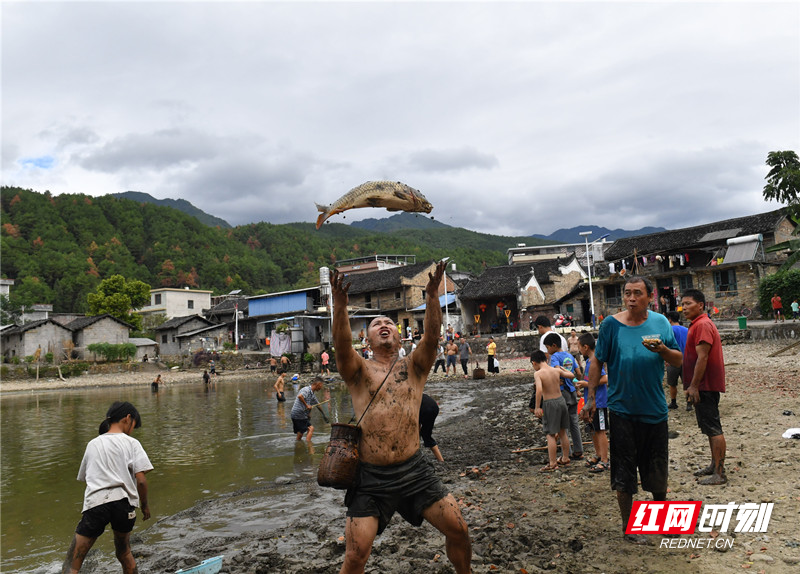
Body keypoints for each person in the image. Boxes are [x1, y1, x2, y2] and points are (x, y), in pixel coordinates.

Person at [330, 262, 471, 574]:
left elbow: (433, 339)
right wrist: (339, 306)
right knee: (355, 556)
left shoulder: (414, 367)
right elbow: (340, 346)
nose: (384, 324)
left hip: (415, 470)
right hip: (370, 478)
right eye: (376, 323)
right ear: (366, 339)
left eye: (389, 323)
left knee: (459, 529)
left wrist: (432, 296)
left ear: (399, 335)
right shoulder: (358, 371)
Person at [580, 276, 682, 545]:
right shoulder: (611, 325)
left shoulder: (660, 323)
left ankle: (661, 522)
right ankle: (629, 526)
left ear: (650, 297)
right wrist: (590, 398)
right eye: (627, 294)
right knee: (623, 473)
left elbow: (678, 358)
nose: (631, 298)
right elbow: (597, 361)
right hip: (622, 410)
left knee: (657, 471)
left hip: (654, 410)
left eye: (638, 293)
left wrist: (662, 350)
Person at [62, 401, 152, 574]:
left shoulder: (92, 444)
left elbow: (86, 478)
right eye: (134, 425)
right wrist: (145, 505)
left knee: (73, 562)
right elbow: (141, 480)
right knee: (124, 553)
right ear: (127, 419)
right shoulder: (131, 443)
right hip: (124, 505)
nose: (132, 430)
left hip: (96, 505)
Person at [681, 289, 728, 486]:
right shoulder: (698, 324)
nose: (684, 308)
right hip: (703, 384)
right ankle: (714, 464)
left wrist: (694, 385)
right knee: (709, 427)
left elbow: (703, 357)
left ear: (700, 305)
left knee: (714, 427)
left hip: (705, 385)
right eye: (682, 304)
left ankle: (719, 473)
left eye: (688, 304)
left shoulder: (702, 325)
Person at [529, 350, 571, 472]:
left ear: (534, 363)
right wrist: (564, 369)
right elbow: (572, 376)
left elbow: (539, 390)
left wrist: (537, 407)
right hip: (561, 400)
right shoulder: (556, 370)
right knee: (563, 432)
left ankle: (552, 463)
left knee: (550, 434)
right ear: (546, 360)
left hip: (550, 403)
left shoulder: (538, 374)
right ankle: (565, 458)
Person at [543, 333, 582, 460]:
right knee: (574, 422)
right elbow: (578, 372)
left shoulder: (554, 357)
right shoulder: (570, 355)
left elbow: (555, 372)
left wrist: (559, 380)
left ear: (554, 346)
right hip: (572, 392)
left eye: (548, 347)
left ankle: (567, 453)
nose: (547, 351)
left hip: (562, 392)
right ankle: (578, 450)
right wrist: (575, 384)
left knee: (563, 425)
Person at [574, 333, 609, 473]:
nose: (578, 350)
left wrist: (586, 384)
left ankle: (605, 460)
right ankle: (599, 455)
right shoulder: (589, 361)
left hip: (599, 402)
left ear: (586, 347)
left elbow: (605, 379)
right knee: (593, 429)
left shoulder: (595, 360)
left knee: (600, 431)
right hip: (591, 401)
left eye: (579, 347)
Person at [665, 311, 690, 411]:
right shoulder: (687, 330)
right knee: (687, 383)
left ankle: (673, 402)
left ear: (670, 319)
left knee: (672, 383)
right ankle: (689, 403)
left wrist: (666, 359)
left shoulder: (669, 330)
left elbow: (667, 345)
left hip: (673, 360)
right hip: (686, 360)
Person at [290, 376, 323, 441]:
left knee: (300, 432)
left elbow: (318, 405)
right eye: (321, 385)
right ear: (318, 384)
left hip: (297, 414)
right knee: (311, 428)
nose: (321, 388)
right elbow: (300, 396)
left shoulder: (312, 395)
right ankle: (309, 445)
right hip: (299, 413)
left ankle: (298, 445)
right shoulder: (306, 390)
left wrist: (324, 414)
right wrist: (306, 405)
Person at [419, 393, 444, 462]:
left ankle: (416, 455)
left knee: (419, 435)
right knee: (426, 435)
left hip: (425, 408)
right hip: (434, 407)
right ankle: (441, 460)